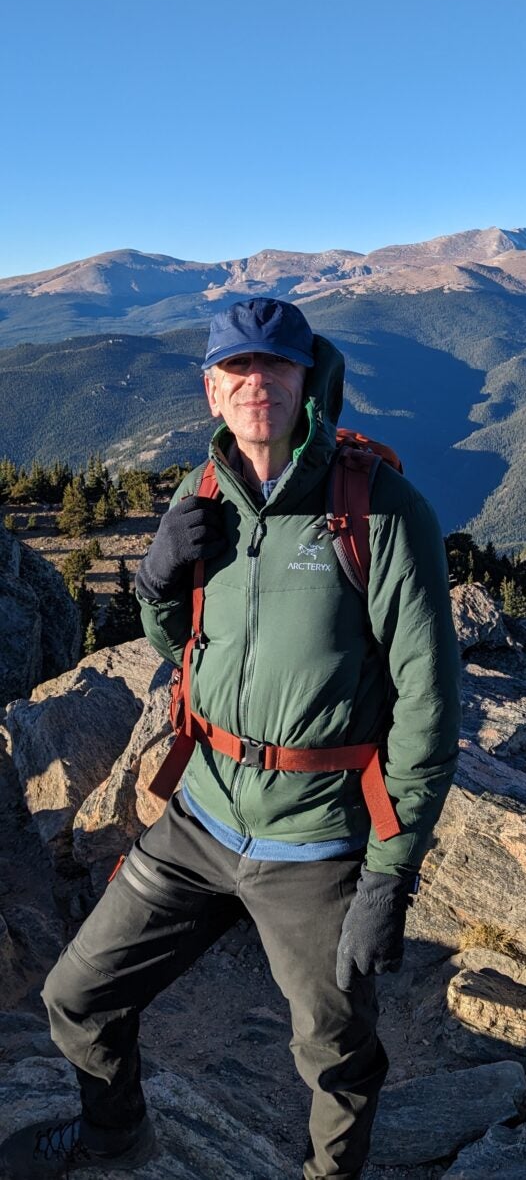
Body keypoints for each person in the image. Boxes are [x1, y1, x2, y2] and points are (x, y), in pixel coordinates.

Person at [0, 297, 461, 1179]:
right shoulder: (200, 494)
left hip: (317, 837)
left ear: (307, 381)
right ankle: (114, 1136)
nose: (258, 386)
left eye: (276, 368)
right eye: (238, 371)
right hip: (200, 815)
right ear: (212, 390)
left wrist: (389, 873)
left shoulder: (382, 511)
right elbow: (189, 649)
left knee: (335, 1052)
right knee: (75, 996)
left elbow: (428, 706)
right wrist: (155, 582)